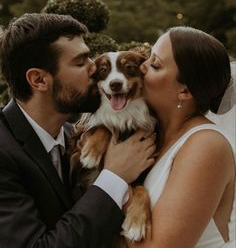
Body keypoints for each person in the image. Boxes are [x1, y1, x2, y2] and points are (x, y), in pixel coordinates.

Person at [0, 13, 156, 248]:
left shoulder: (78, 135)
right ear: (39, 80)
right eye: (81, 62)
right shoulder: (3, 151)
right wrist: (114, 176)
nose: (95, 69)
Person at [127, 26, 236, 248]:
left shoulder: (206, 146)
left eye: (155, 64)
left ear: (185, 92)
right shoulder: (150, 136)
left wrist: (114, 177)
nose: (142, 67)